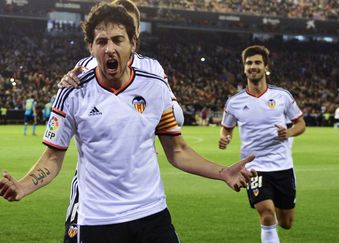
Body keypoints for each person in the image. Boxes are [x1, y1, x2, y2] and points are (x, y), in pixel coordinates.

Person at [0, 3, 256, 243]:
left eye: (117, 40)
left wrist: (223, 172)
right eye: (101, 41)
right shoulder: (71, 93)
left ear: (133, 43)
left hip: (151, 214)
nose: (109, 48)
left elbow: (177, 150)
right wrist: (23, 186)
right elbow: (52, 157)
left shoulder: (154, 86)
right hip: (98, 220)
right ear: (90, 47)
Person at [56, 1, 185, 242]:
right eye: (104, 38)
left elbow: (177, 118)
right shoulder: (88, 65)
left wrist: (145, 121)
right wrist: (66, 83)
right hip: (94, 186)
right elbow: (70, 93)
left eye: (122, 32)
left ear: (135, 33)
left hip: (138, 187)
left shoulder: (152, 69)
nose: (111, 44)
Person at [218, 45, 306, 243]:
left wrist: (289, 132)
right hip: (254, 168)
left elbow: (301, 124)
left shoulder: (282, 96)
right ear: (244, 68)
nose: (253, 66)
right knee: (266, 213)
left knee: (286, 222)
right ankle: (266, 202)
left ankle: (275, 200)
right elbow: (226, 128)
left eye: (257, 62)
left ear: (265, 66)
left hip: (282, 166)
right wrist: (225, 137)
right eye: (249, 63)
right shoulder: (234, 102)